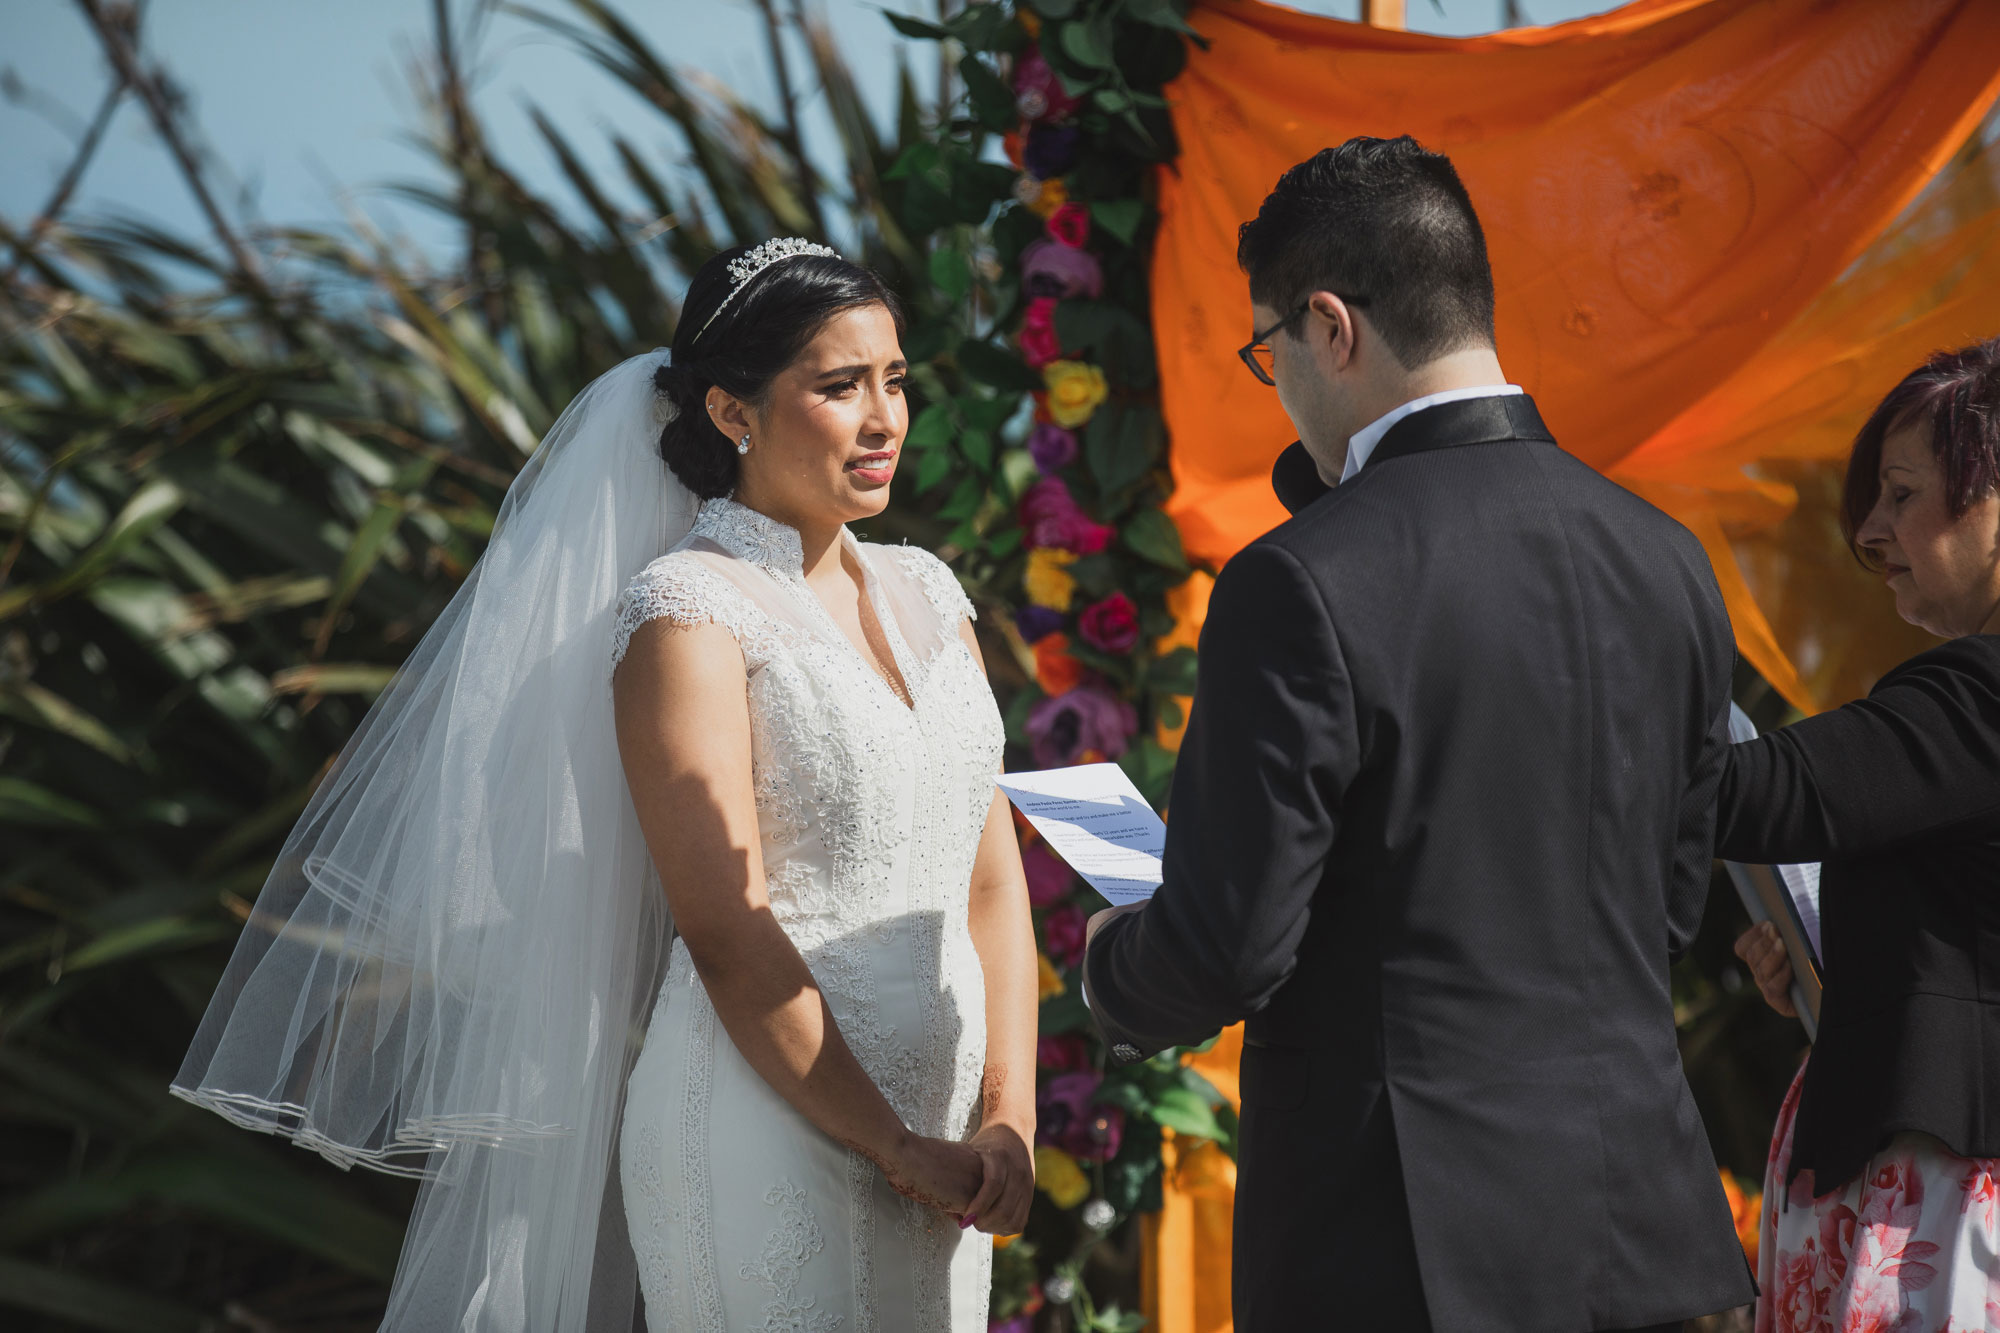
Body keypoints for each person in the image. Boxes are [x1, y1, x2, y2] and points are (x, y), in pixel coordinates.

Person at [170, 240, 1038, 1333]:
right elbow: (725, 929)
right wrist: (889, 1142)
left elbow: (991, 884)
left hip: (953, 1142)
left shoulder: (932, 592)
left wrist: (1008, 1114)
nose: (883, 420)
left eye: (893, 379)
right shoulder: (688, 615)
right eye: (838, 386)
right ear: (732, 411)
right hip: (772, 1122)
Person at [1079, 136, 1753, 1332]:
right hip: (1637, 1228)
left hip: (1402, 1246)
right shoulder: (1666, 559)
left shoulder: (1303, 578)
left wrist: (1112, 963)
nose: (1274, 382)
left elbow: (1230, 947)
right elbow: (1665, 905)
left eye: (1265, 347)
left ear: (1328, 325)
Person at [1724, 339, 2000, 1332]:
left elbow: (1762, 791)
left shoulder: (1974, 691)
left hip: (1939, 1198)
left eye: (1900, 493)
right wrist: (1829, 958)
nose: (1871, 531)